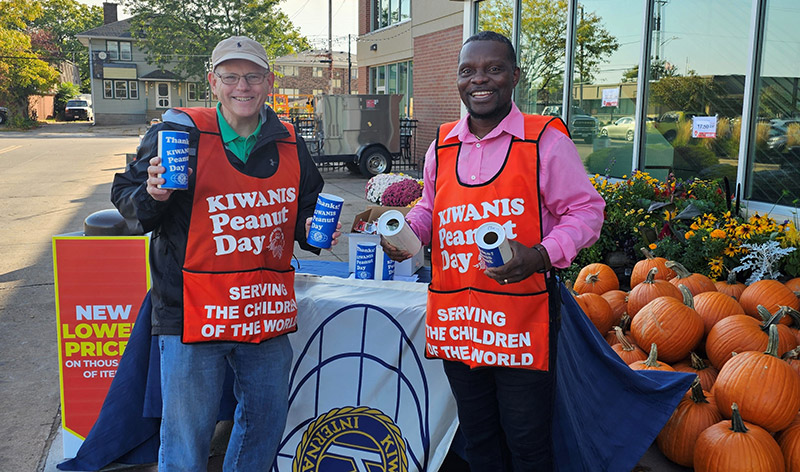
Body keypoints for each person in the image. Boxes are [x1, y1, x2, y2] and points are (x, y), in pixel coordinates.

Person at [111, 35, 340, 471]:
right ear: (212, 82)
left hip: (263, 310)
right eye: (231, 76)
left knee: (264, 423)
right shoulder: (177, 133)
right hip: (192, 311)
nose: (243, 87)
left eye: (253, 76)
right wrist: (153, 194)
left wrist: (315, 232)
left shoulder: (289, 140)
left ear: (269, 82)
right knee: (186, 438)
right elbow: (127, 198)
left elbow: (304, 211)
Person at [381, 31, 605, 471]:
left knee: (527, 442)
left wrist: (540, 255)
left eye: (493, 69)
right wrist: (408, 232)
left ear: (514, 76)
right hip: (460, 317)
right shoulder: (442, 144)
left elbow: (586, 212)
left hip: (520, 320)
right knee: (479, 437)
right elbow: (431, 206)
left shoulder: (544, 140)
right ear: (458, 80)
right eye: (468, 71)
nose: (479, 80)